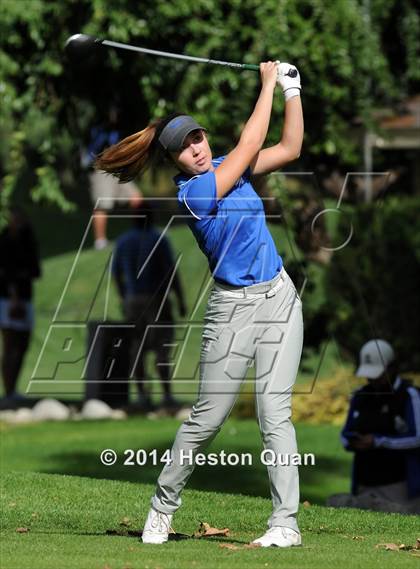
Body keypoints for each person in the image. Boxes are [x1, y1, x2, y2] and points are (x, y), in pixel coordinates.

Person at [96, 61, 304, 547]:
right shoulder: (196, 193)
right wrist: (268, 82)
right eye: (186, 146)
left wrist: (292, 91)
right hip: (233, 310)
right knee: (208, 417)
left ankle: (285, 524)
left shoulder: (230, 167)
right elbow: (251, 143)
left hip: (279, 296)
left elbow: (291, 147)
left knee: (276, 412)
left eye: (199, 138)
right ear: (175, 160)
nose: (197, 148)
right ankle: (162, 507)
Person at [327, 339, 420, 514]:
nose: (373, 379)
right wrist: (353, 442)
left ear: (392, 368)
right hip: (365, 482)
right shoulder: (360, 396)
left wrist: (378, 441)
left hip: (399, 485)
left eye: (378, 374)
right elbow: (345, 433)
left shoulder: (409, 396)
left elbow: (417, 438)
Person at [112, 202, 186, 411]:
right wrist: (179, 299)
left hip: (133, 300)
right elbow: (170, 271)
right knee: (161, 346)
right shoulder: (158, 239)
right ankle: (166, 395)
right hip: (156, 299)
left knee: (137, 347)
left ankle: (143, 395)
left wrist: (123, 296)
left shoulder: (123, 242)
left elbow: (116, 273)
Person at [81, 107, 143, 249]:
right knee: (102, 205)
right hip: (101, 168)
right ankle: (100, 241)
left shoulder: (119, 128)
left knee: (136, 198)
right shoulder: (97, 129)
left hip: (117, 169)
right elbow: (94, 148)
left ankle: (143, 231)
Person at [0, 207, 41, 404]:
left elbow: (36, 271)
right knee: (10, 345)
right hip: (8, 299)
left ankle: (12, 388)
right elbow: (6, 272)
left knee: (22, 345)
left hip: (25, 298)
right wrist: (13, 293)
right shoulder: (5, 241)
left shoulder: (27, 242)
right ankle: (8, 390)